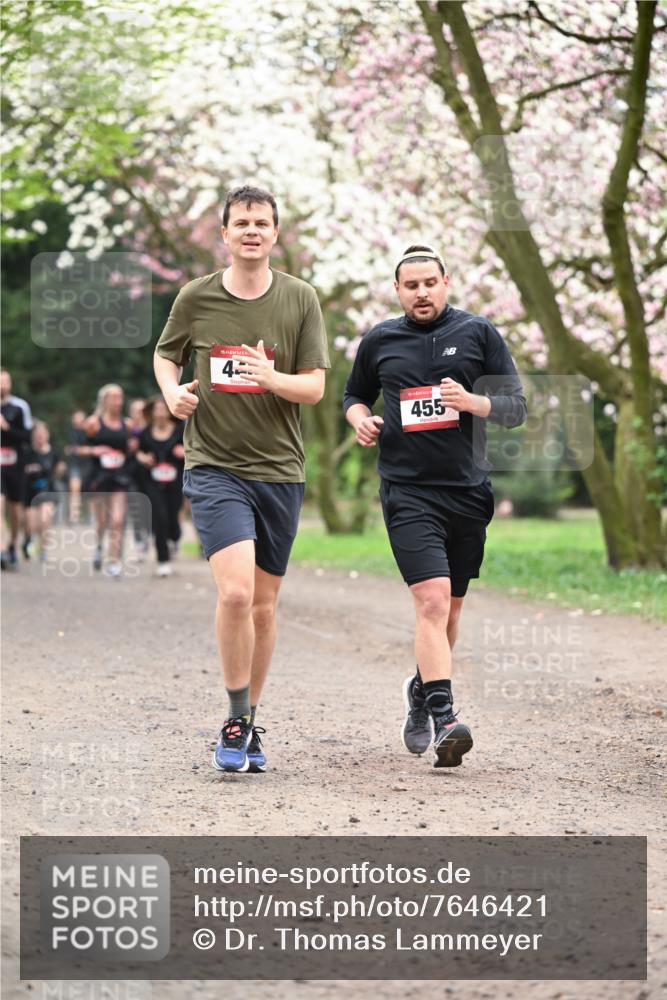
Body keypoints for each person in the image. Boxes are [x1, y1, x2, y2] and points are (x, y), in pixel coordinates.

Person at [154, 184, 330, 774]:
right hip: (214, 465)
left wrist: (269, 376)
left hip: (280, 470)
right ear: (224, 235)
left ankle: (251, 720)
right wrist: (172, 392)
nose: (252, 231)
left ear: (275, 233)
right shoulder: (195, 298)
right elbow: (165, 354)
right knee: (235, 592)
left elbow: (315, 387)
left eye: (262, 222)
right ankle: (232, 718)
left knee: (262, 608)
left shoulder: (300, 299)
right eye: (242, 223)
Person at [344, 245, 526, 768]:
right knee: (430, 601)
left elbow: (515, 407)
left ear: (446, 282)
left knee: (451, 611)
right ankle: (446, 717)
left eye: (430, 282)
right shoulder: (380, 339)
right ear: (397, 290)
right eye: (411, 285)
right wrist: (360, 418)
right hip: (407, 490)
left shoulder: (479, 333)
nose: (421, 292)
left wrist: (473, 402)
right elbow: (353, 394)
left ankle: (421, 691)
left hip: (468, 491)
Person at [83, 383, 132, 578]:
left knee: (118, 520)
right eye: (113, 397)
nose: (117, 401)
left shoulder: (127, 424)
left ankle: (114, 561)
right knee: (102, 521)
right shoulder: (93, 423)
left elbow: (131, 449)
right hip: (99, 477)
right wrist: (94, 450)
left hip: (119, 477)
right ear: (104, 400)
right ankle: (98, 547)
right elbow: (76, 448)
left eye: (120, 397)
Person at [135, 396, 185, 577]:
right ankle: (163, 561)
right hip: (152, 482)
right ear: (152, 412)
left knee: (172, 517)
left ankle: (175, 537)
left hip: (175, 481)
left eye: (164, 409)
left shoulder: (180, 430)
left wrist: (184, 452)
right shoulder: (145, 432)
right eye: (157, 409)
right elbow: (138, 452)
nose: (161, 412)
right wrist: (143, 458)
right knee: (159, 517)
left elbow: (193, 449)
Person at [1, 368, 32, 570]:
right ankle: (2, 547)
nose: (3, 385)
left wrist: (7, 429)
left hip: (15, 465)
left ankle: (12, 545)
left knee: (15, 510)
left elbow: (26, 437)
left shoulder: (20, 407)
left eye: (6, 381)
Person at [23, 420, 66, 561]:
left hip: (48, 491)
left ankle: (44, 549)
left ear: (47, 435)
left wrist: (60, 469)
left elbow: (60, 466)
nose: (40, 436)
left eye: (43, 433)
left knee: (45, 519)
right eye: (37, 434)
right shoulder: (27, 451)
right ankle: (29, 540)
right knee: (31, 524)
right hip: (30, 492)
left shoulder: (53, 452)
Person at [65, 409, 91, 524]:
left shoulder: (90, 432)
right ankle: (73, 517)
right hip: (75, 464)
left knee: (91, 491)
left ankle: (91, 516)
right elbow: (69, 450)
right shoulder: (71, 433)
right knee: (74, 489)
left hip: (88, 464)